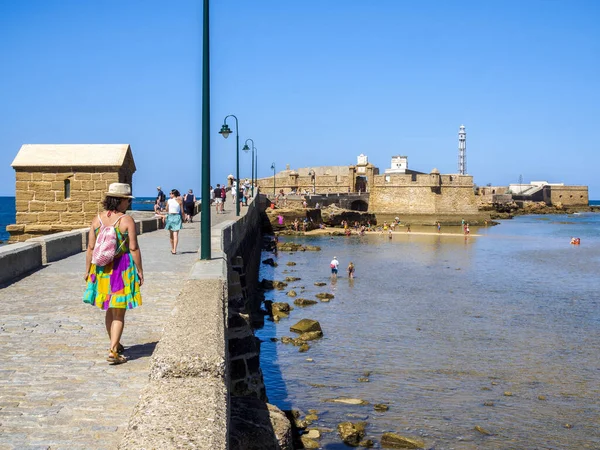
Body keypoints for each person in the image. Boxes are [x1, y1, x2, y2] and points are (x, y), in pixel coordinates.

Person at [83, 183, 143, 365]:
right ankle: (113, 351)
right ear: (120, 200)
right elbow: (133, 247)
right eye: (127, 200)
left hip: (101, 269)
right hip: (121, 268)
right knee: (119, 313)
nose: (128, 204)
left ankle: (114, 344)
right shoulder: (126, 220)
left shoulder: (97, 219)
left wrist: (87, 271)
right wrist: (140, 270)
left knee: (109, 308)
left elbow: (90, 248)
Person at [165, 189, 184, 254]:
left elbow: (166, 209)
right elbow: (182, 211)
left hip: (170, 217)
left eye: (170, 193)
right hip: (177, 217)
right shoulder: (180, 201)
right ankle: (174, 250)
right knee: (175, 234)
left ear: (173, 194)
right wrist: (184, 218)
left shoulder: (169, 201)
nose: (169, 194)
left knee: (171, 234)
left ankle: (172, 248)